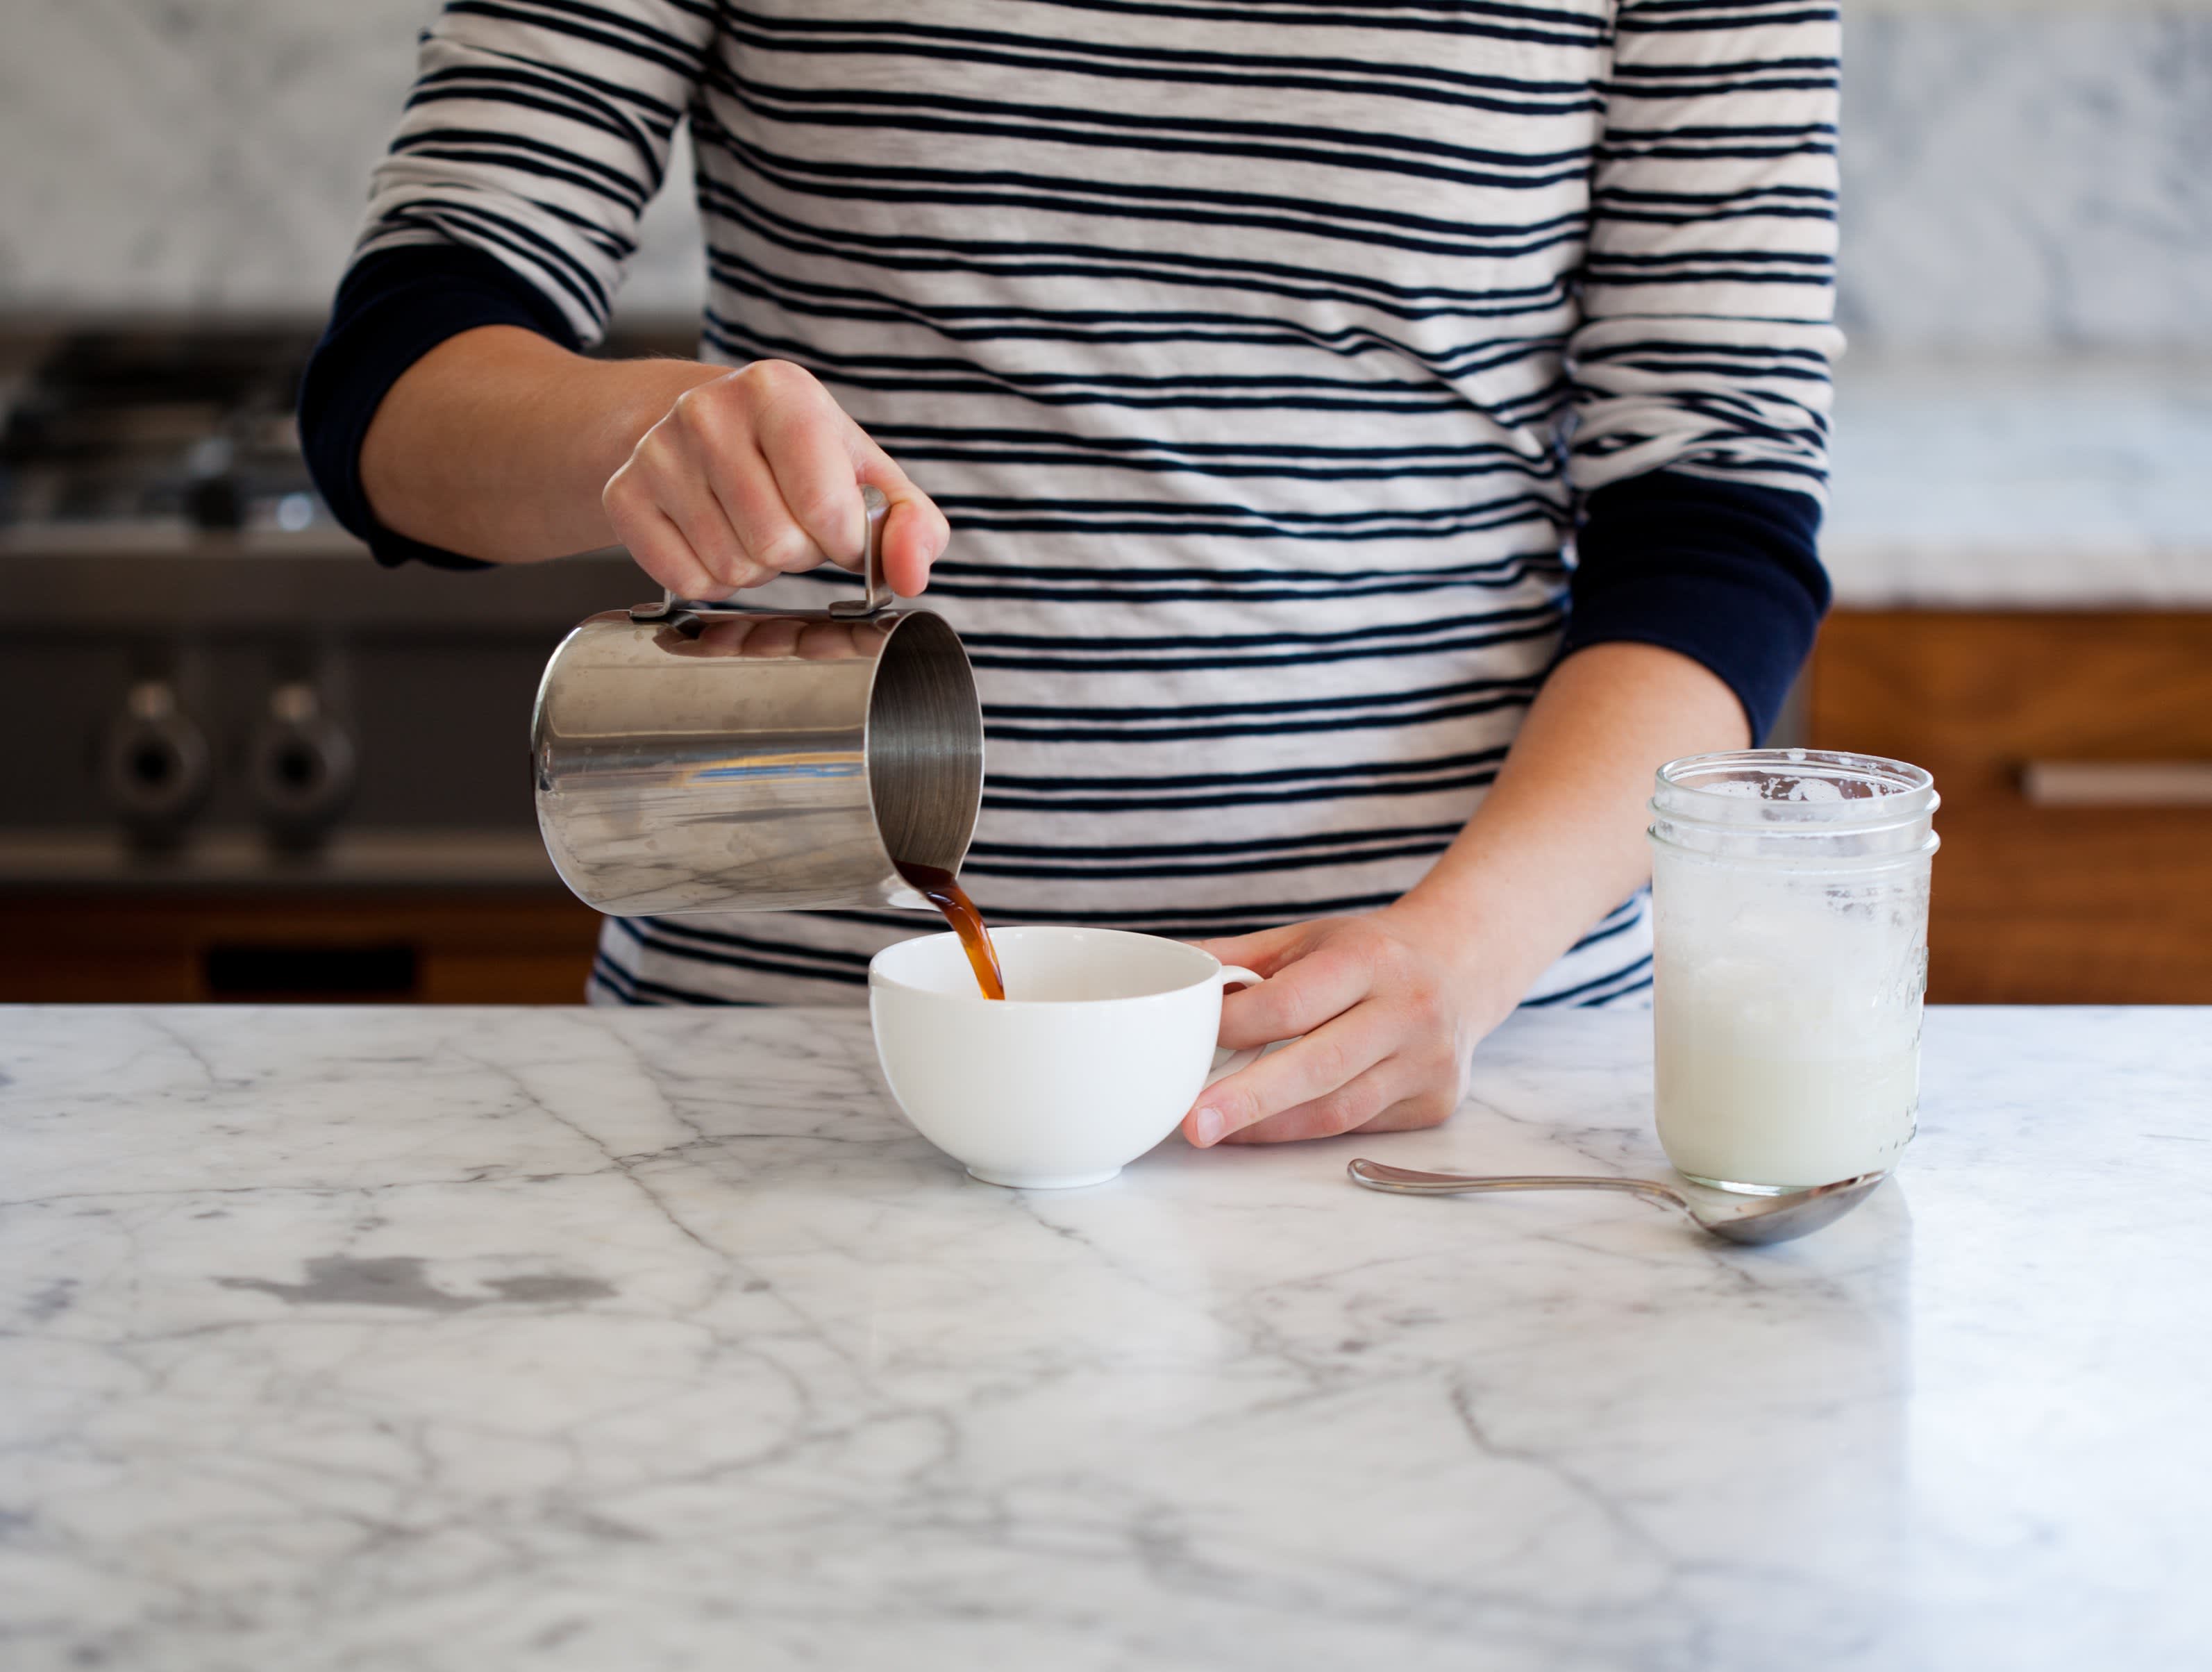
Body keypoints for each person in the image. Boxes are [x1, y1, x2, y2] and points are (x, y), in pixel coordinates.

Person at [301, 0, 1839, 1151]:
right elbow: (392, 387)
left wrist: (1468, 953)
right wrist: (633, 428)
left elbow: (1715, 538)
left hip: (1440, 1084)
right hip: (798, 1082)